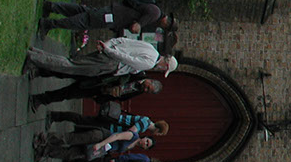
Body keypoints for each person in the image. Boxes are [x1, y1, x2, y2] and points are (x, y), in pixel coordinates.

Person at [25, 37, 177, 80]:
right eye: (163, 69)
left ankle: (37, 53)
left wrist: (108, 45)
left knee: (72, 62)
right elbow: (126, 59)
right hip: (111, 62)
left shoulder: (150, 47)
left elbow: (124, 40)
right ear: (165, 65)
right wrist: (108, 50)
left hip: (109, 53)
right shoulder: (149, 63)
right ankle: (34, 58)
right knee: (71, 66)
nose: (161, 70)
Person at [39, 0, 172, 37]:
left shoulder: (155, 10)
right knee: (85, 21)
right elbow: (135, 26)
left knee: (82, 11)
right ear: (166, 22)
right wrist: (137, 30)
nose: (162, 28)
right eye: (165, 27)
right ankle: (49, 24)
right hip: (114, 17)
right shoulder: (155, 15)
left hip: (115, 12)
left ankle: (51, 6)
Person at [29, 76, 162, 112]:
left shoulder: (138, 91)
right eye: (147, 87)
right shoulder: (138, 74)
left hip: (100, 92)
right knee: (69, 84)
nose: (145, 89)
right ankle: (40, 72)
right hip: (100, 81)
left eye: (147, 91)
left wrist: (102, 98)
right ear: (149, 80)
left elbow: (122, 97)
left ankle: (42, 99)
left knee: (70, 94)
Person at [34, 127, 154, 162]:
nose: (145, 143)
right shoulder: (133, 135)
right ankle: (44, 138)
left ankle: (45, 151)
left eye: (147, 145)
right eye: (147, 141)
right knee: (71, 139)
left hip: (100, 149)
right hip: (100, 138)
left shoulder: (132, 147)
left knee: (70, 154)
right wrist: (101, 144)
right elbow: (116, 136)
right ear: (145, 137)